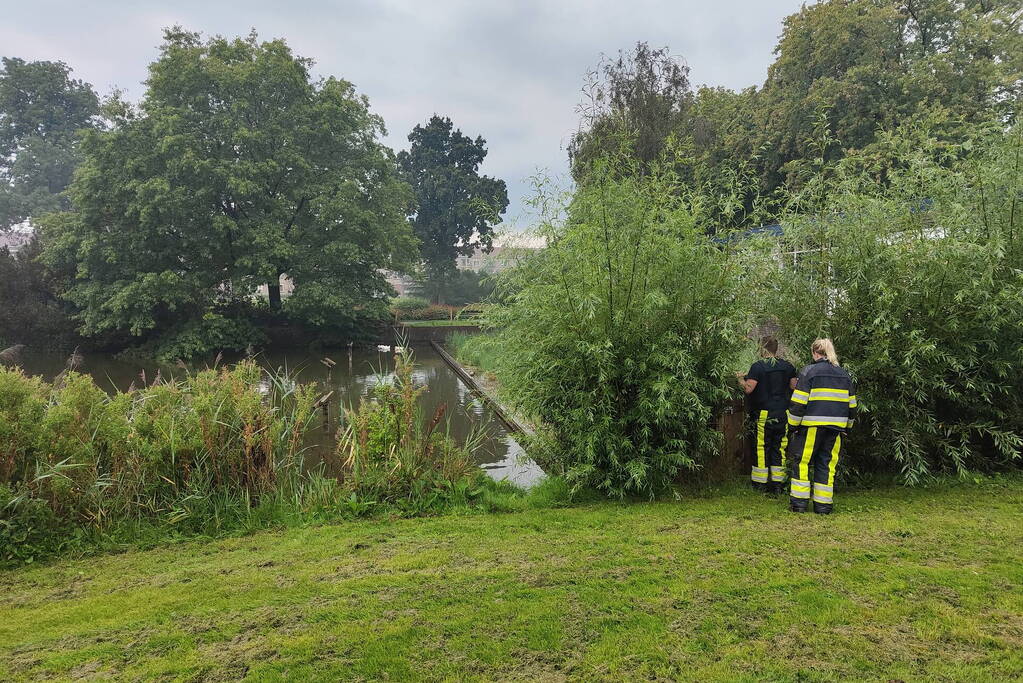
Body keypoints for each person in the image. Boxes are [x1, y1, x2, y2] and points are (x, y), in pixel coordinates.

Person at [785, 338, 858, 515]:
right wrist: (847, 428)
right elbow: (852, 406)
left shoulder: (808, 372)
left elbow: (799, 403)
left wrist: (792, 426)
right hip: (835, 429)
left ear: (815, 353)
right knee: (826, 464)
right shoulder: (844, 374)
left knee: (802, 462)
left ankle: (799, 504)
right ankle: (823, 506)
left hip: (811, 426)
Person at [737, 337, 797, 494]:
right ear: (776, 349)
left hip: (764, 413)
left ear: (762, 348)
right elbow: (794, 386)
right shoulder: (788, 366)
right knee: (780, 447)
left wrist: (740, 380)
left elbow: (749, 389)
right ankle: (778, 484)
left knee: (761, 447)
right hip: (784, 413)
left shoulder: (758, 367)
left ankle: (760, 484)